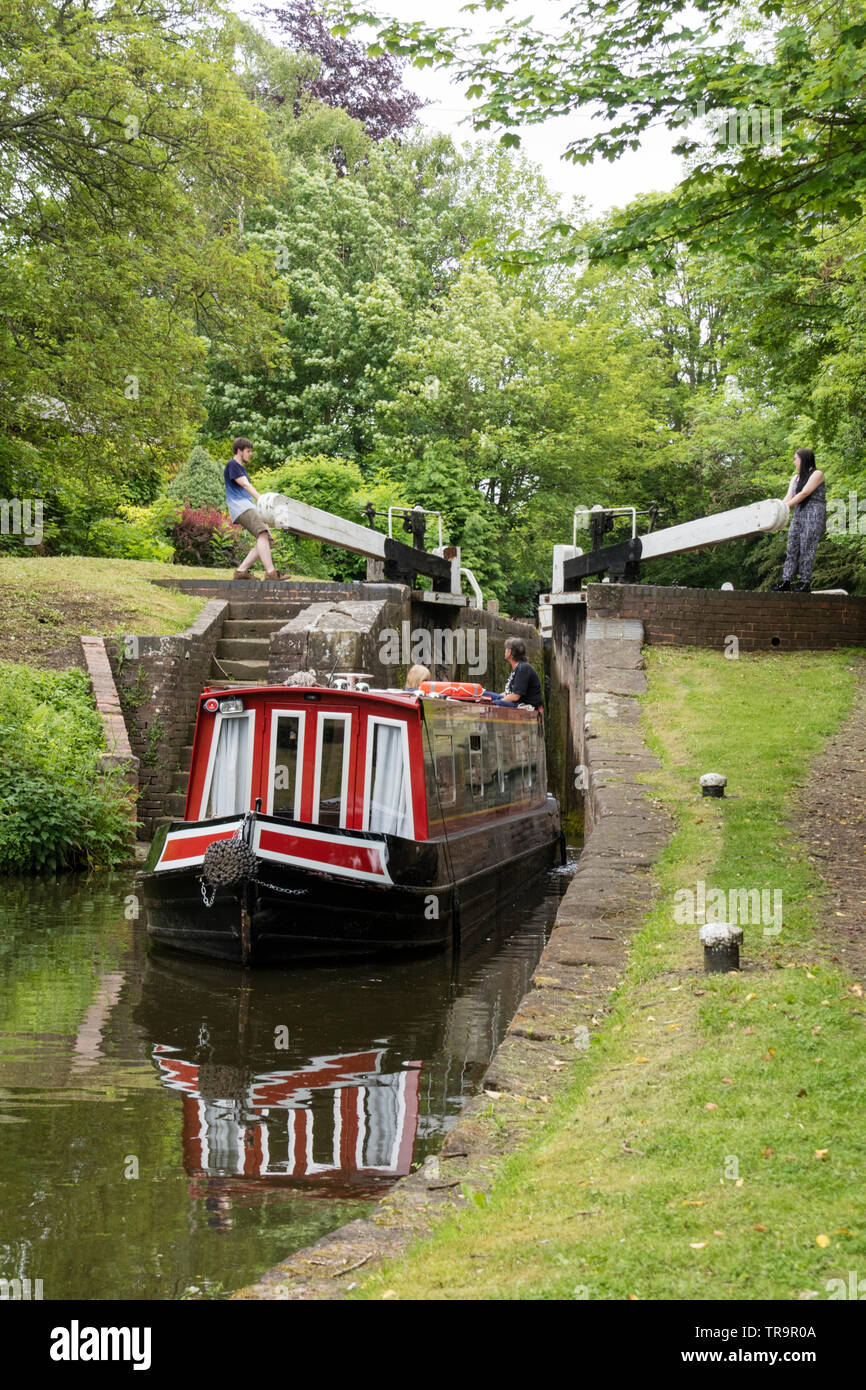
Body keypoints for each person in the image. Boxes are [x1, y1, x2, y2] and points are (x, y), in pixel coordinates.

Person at [224, 437, 281, 580]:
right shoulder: (233, 465)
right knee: (262, 534)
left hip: (247, 506)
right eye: (248, 451)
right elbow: (245, 485)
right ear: (239, 451)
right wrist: (261, 499)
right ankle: (271, 572)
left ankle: (241, 571)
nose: (250, 454)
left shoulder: (241, 468)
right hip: (241, 507)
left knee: (267, 539)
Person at [771, 447, 826, 593]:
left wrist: (787, 506)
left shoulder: (817, 474)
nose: (794, 461)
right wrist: (777, 509)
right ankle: (786, 580)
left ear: (803, 459)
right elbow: (788, 496)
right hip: (799, 513)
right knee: (792, 546)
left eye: (795, 458)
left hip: (814, 512)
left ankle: (804, 582)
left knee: (807, 546)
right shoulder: (794, 478)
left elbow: (805, 492)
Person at [501, 637, 543, 708]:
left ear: (510, 652)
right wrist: (494, 698)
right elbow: (509, 693)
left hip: (524, 705)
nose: (505, 651)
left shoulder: (523, 668)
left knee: (494, 702)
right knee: (487, 695)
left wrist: (497, 702)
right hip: (516, 701)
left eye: (506, 649)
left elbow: (515, 696)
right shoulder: (517, 668)